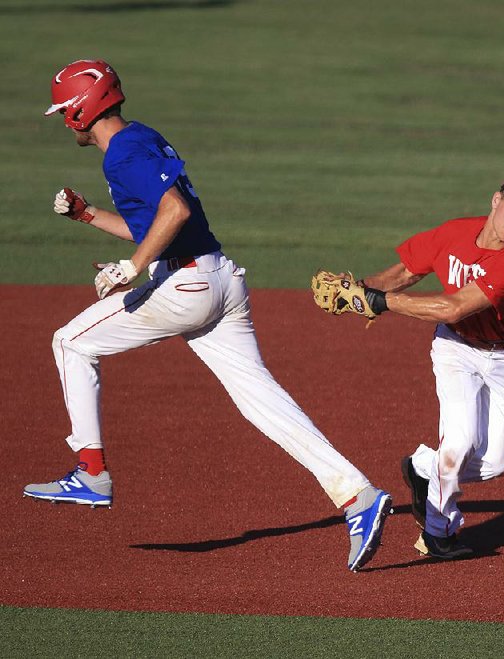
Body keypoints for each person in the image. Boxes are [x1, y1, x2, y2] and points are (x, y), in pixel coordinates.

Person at [24, 59, 392, 572]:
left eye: (66, 110)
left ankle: (90, 471)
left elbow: (172, 213)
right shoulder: (141, 137)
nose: (67, 121)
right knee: (261, 401)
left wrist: (131, 269)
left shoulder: (122, 154)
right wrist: (87, 215)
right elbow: (155, 225)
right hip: (221, 280)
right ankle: (358, 495)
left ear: (79, 112)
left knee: (70, 342)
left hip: (187, 286)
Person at [320, 173, 504, 559]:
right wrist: (358, 291)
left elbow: (453, 306)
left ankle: (422, 467)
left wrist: (382, 302)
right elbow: (406, 272)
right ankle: (439, 534)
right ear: (496, 200)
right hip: (456, 350)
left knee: (494, 463)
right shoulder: (454, 233)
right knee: (458, 444)